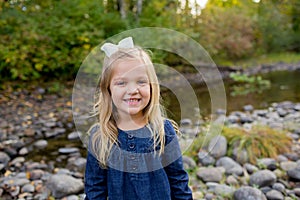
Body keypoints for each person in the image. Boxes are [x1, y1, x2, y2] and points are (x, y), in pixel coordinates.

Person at [84, 37, 193, 200]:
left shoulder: (163, 131)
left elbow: (178, 181)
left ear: (151, 86)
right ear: (108, 89)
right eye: (121, 83)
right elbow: (95, 190)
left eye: (141, 81)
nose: (133, 90)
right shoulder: (100, 137)